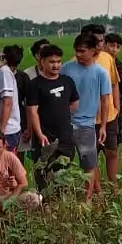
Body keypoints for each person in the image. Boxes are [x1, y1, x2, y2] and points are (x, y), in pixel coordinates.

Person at [61, 34, 113, 195]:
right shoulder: (66, 69)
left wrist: (103, 126)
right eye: (76, 51)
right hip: (65, 123)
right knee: (62, 164)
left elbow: (105, 101)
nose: (78, 54)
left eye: (82, 51)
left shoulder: (101, 73)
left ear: (93, 51)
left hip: (87, 125)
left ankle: (87, 199)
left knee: (89, 164)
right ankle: (63, 197)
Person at [24, 42, 79, 189]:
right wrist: (39, 134)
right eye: (52, 62)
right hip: (45, 138)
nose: (56, 65)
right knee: (43, 172)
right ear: (42, 61)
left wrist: (61, 116)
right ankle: (45, 204)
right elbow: (32, 111)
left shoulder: (67, 81)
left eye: (58, 62)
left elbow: (74, 104)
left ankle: (62, 203)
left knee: (64, 172)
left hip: (65, 136)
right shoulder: (35, 85)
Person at [101, 32, 122, 184]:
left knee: (113, 150)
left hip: (114, 113)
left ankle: (113, 183)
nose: (114, 49)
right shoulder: (95, 64)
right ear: (104, 45)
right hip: (96, 114)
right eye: (111, 45)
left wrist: (117, 109)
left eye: (117, 47)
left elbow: (121, 92)